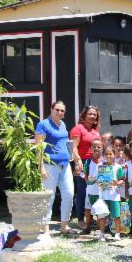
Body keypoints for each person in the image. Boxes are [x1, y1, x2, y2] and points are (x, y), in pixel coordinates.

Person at [35, 100, 81, 235]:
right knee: (48, 196)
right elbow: (38, 147)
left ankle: (64, 227)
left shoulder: (62, 125)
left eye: (62, 111)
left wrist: (75, 156)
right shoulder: (43, 124)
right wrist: (41, 167)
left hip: (65, 165)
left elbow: (65, 143)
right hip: (50, 165)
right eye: (57, 110)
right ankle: (45, 229)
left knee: (69, 194)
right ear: (51, 109)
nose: (59, 113)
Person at [70, 106, 100, 229]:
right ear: (84, 115)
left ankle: (91, 217)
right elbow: (73, 147)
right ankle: (81, 218)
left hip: (94, 163)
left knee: (94, 190)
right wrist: (77, 162)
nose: (93, 117)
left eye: (95, 115)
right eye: (90, 114)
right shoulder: (78, 129)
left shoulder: (95, 131)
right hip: (83, 162)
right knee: (82, 190)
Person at [96, 145, 126, 241]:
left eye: (110, 154)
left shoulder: (118, 167)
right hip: (103, 195)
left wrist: (117, 183)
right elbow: (98, 179)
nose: (108, 156)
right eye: (106, 154)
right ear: (103, 155)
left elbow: (122, 179)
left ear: (114, 154)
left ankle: (117, 233)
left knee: (116, 215)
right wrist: (98, 181)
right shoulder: (101, 167)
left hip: (114, 195)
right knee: (102, 215)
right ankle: (102, 234)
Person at [81, 138, 104, 234]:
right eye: (94, 147)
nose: (96, 148)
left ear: (102, 148)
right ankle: (88, 226)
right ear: (90, 149)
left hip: (101, 192)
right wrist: (87, 180)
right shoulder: (88, 162)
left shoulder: (104, 162)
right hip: (90, 191)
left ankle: (99, 228)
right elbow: (84, 175)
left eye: (99, 147)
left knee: (100, 210)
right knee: (87, 209)